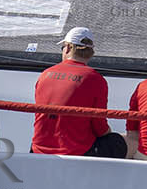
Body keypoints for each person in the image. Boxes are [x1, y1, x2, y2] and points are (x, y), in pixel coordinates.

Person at [32, 27, 126, 158]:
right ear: (90, 53)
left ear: (68, 48)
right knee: (122, 141)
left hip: (38, 149)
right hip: (77, 152)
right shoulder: (95, 79)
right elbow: (99, 127)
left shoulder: (45, 74)